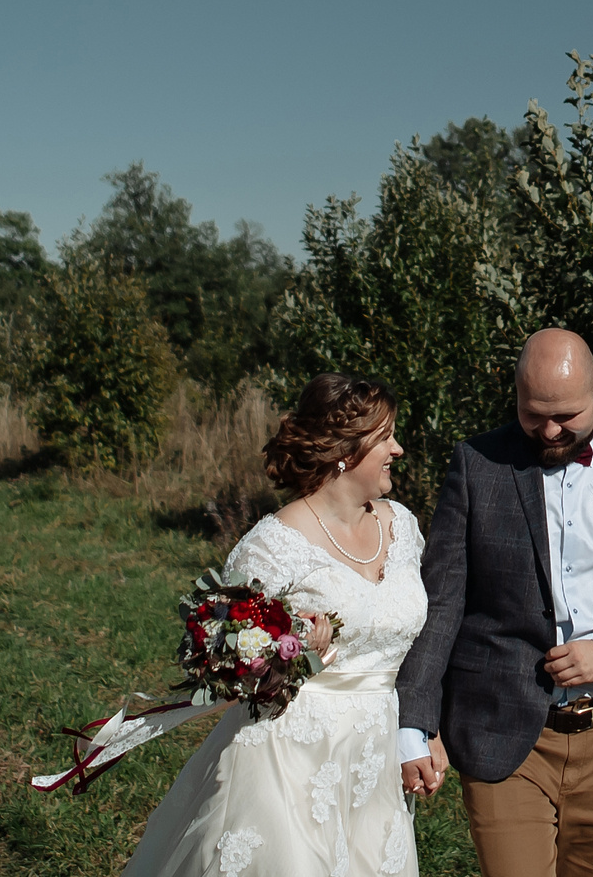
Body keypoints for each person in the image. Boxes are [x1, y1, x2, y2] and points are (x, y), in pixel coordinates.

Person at [395, 330, 593, 877]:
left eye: (565, 416)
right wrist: (413, 723)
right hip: (504, 729)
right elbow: (442, 601)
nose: (548, 431)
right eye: (532, 414)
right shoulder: (477, 466)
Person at [123, 373, 429, 877]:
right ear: (344, 451)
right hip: (287, 758)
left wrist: (420, 730)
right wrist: (288, 641)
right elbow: (215, 650)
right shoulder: (273, 543)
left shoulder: (403, 525)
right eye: (385, 437)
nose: (398, 448)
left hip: (373, 754)